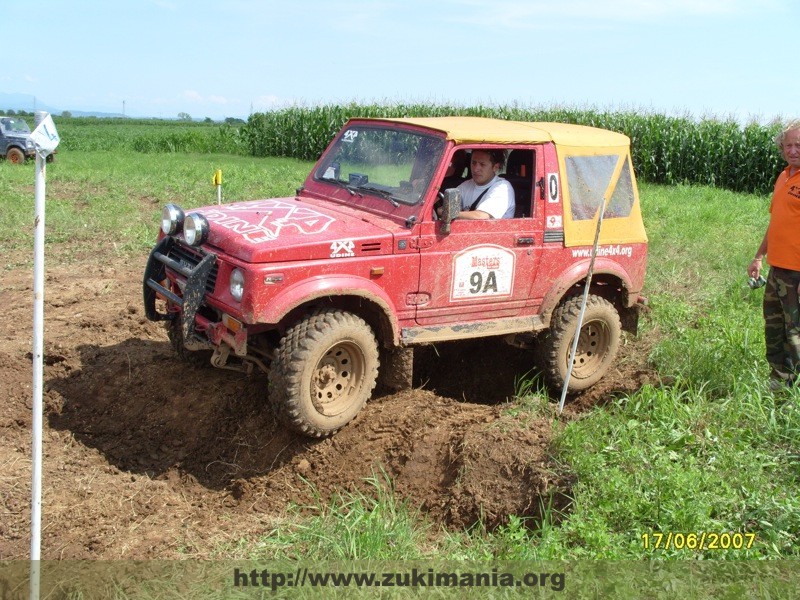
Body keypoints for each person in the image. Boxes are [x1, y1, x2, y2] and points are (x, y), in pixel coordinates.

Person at [748, 120, 800, 389]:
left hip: (797, 273)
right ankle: (779, 378)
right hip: (776, 269)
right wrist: (758, 257)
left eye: (798, 145)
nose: (793, 150)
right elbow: (776, 221)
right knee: (774, 325)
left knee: (796, 332)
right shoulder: (783, 176)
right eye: (788, 145)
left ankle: (796, 387)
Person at [456, 149, 515, 219]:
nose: (475, 169)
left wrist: (449, 214)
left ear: (495, 167)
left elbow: (481, 216)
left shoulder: (503, 188)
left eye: (482, 164)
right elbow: (450, 205)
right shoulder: (465, 185)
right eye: (473, 163)